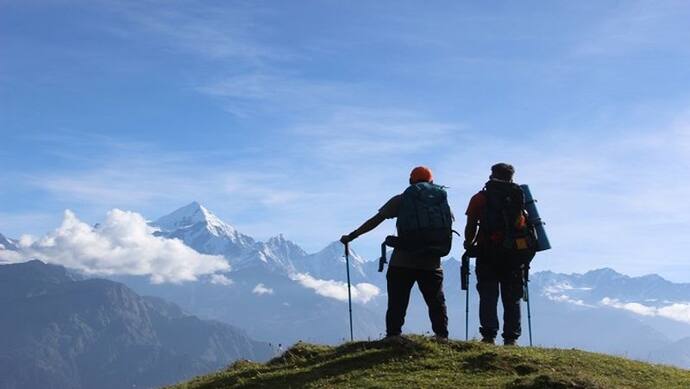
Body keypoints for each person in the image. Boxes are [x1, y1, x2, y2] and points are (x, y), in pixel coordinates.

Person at [340, 166, 452, 341]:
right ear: (431, 181)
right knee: (436, 301)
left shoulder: (402, 200)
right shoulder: (441, 202)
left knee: (397, 300)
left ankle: (393, 335)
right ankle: (441, 335)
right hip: (432, 260)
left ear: (410, 181)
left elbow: (375, 220)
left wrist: (352, 236)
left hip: (403, 259)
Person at [464, 163, 533, 346]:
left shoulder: (480, 198)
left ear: (492, 174)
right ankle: (511, 338)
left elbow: (471, 224)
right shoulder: (520, 196)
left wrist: (468, 243)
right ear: (512, 176)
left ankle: (488, 336)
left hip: (487, 252)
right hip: (515, 255)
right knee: (512, 297)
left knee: (488, 295)